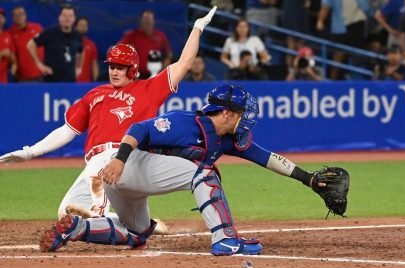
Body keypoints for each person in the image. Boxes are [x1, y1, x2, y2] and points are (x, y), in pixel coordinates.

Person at [39, 85, 340, 256]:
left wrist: (309, 179)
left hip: (128, 180)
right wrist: (118, 159)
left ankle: (77, 229)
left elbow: (267, 157)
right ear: (226, 113)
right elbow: (139, 128)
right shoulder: (185, 122)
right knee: (205, 174)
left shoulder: (228, 138)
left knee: (136, 234)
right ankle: (225, 239)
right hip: (125, 167)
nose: (246, 119)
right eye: (241, 113)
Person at [0, 7, 218, 221]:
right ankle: (143, 226)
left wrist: (197, 28)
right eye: (112, 65)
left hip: (126, 158)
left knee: (90, 205)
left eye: (120, 67)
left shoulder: (148, 89)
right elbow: (67, 131)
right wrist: (30, 152)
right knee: (66, 214)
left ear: (133, 69)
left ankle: (102, 215)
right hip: (97, 161)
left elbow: (184, 63)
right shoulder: (96, 93)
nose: (114, 71)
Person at [27, 4, 83, 82]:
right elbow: (30, 45)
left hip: (70, 80)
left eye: (70, 16)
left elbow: (81, 51)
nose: (67, 19)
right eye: (64, 15)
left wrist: (79, 67)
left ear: (74, 18)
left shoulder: (77, 35)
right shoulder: (50, 33)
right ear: (59, 17)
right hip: (51, 80)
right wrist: (39, 65)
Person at [316, 0, 369, 79]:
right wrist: (320, 21)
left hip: (357, 26)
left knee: (357, 57)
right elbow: (326, 5)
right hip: (342, 28)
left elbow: (366, 7)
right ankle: (332, 83)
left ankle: (357, 81)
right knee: (339, 55)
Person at [119, 10, 173, 79]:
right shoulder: (132, 35)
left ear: (154, 21)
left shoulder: (160, 36)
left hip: (155, 75)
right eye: (145, 19)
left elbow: (169, 54)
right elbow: (118, 49)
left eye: (149, 19)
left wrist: (164, 70)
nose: (147, 21)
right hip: (135, 75)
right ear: (141, 21)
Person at [8, 6, 44, 82]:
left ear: (25, 15)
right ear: (12, 18)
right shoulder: (10, 34)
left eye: (21, 14)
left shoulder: (37, 28)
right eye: (16, 15)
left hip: (41, 75)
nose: (19, 17)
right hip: (23, 78)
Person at [75, 16, 99, 82]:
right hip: (71, 83)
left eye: (85, 25)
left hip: (86, 83)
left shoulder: (91, 45)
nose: (83, 27)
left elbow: (94, 65)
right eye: (81, 25)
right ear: (75, 26)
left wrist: (96, 82)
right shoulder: (69, 43)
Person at [0, 7, 17, 83]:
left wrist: (13, 63)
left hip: (4, 81)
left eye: (1, 17)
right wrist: (1, 53)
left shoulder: (8, 36)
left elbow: (13, 58)